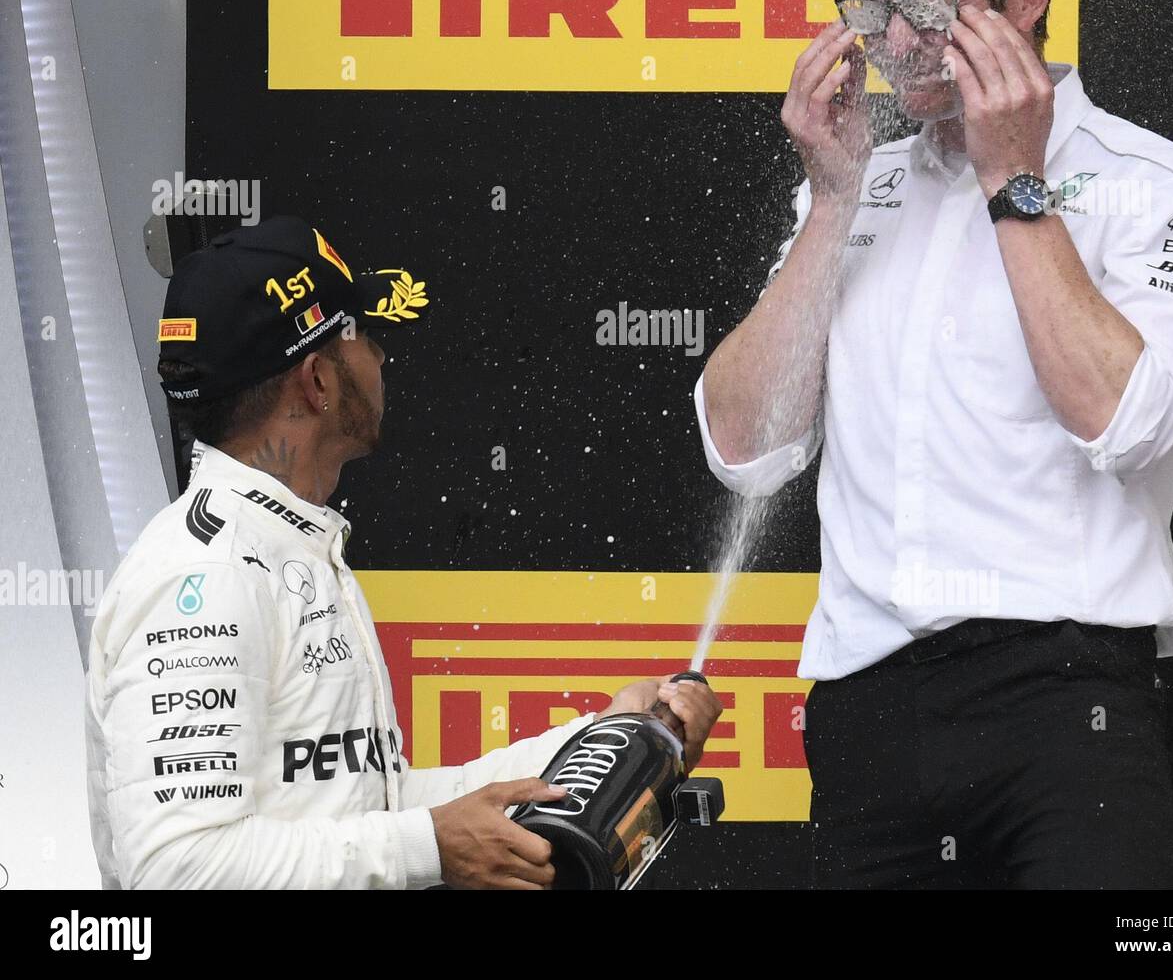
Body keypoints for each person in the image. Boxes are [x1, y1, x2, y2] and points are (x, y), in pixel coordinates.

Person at [694, 0, 1173, 889]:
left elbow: (1124, 421)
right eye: (871, 8)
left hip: (1065, 704)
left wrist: (1013, 182)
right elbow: (742, 445)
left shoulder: (1157, 185)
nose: (895, 47)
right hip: (869, 708)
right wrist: (835, 200)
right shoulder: (852, 187)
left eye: (930, 14)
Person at [86, 215, 721, 890]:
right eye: (365, 335)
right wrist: (428, 847)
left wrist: (601, 740)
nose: (383, 356)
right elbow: (176, 869)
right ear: (317, 382)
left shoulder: (291, 548)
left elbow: (374, 807)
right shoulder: (207, 573)